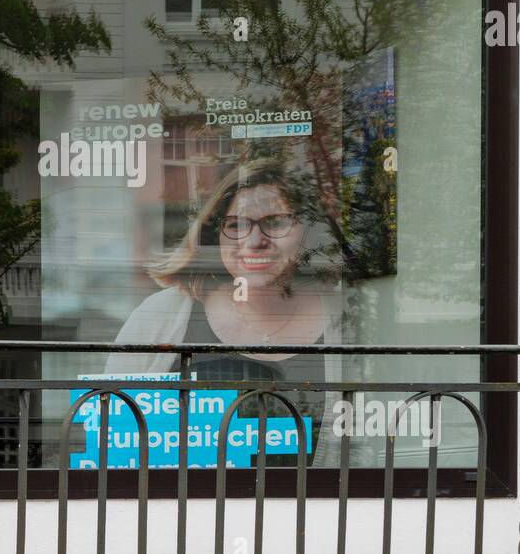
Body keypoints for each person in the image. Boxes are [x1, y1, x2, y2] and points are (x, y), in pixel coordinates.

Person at [105, 159, 346, 466]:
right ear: (213, 236)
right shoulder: (160, 316)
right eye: (236, 225)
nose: (254, 241)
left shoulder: (347, 313)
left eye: (275, 222)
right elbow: (109, 433)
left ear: (308, 232)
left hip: (315, 511)